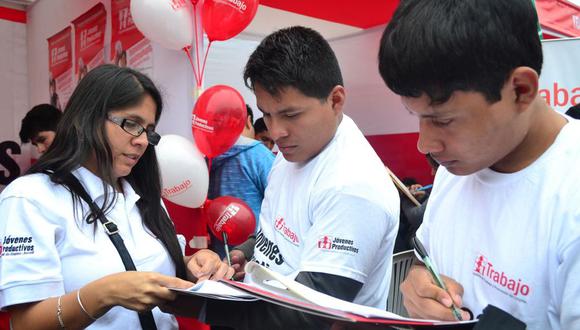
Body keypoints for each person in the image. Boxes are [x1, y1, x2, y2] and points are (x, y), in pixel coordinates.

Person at [378, 0, 580, 328]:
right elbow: (426, 259)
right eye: (417, 117)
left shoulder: (569, 199)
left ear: (520, 90)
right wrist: (419, 287)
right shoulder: (457, 170)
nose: (424, 144)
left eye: (443, 120)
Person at [0, 64, 233, 329]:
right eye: (131, 124)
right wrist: (105, 293)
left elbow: (150, 267)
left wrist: (193, 265)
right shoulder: (31, 197)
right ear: (88, 117)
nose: (142, 141)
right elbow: (24, 324)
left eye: (148, 130)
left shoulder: (143, 195)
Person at [205, 26, 400, 329]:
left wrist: (197, 303)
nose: (275, 131)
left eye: (291, 115)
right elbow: (282, 233)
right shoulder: (294, 149)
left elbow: (310, 314)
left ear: (335, 100)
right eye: (266, 114)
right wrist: (245, 254)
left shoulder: (352, 187)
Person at [208, 104, 275, 258]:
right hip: (256, 256)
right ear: (248, 121)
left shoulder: (207, 159)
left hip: (221, 257)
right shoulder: (259, 155)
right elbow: (284, 205)